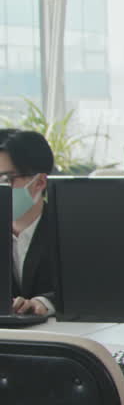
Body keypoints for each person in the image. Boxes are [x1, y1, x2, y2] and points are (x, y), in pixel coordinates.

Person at [1, 130, 57, 315]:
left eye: (5, 179)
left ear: (39, 182)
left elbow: (87, 284)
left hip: (59, 336)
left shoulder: (69, 229)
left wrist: (43, 302)